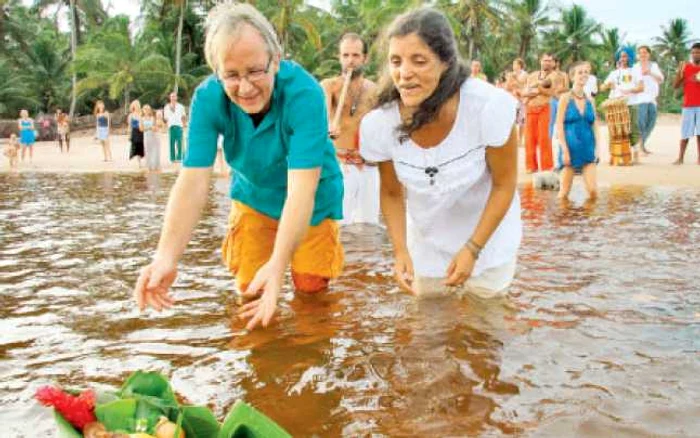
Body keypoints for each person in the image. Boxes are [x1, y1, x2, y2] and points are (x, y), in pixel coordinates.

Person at [133, 3, 344, 330]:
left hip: (313, 201)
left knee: (310, 293)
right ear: (217, 72)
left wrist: (278, 264)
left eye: (256, 71)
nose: (245, 88)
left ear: (275, 60)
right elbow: (192, 181)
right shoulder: (208, 99)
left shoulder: (305, 94)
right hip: (253, 197)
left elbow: (302, 190)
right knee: (252, 290)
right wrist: (166, 258)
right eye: (231, 75)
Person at [359, 8, 521, 298]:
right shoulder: (380, 123)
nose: (404, 73)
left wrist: (473, 249)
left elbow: (504, 184)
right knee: (427, 331)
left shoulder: (489, 108)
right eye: (395, 61)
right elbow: (393, 194)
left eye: (418, 61)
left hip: (489, 238)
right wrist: (400, 251)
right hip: (427, 243)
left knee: (482, 330)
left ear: (446, 62)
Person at [320, 33, 379, 225]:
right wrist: (329, 125)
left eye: (355, 55)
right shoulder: (329, 86)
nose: (350, 61)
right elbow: (323, 117)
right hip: (341, 166)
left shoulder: (375, 90)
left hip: (369, 167)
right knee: (338, 226)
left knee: (369, 227)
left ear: (364, 58)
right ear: (339, 57)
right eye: (345, 55)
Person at [555, 62, 601, 201]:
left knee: (593, 192)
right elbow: (559, 126)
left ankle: (588, 222)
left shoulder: (590, 100)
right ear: (572, 77)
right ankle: (563, 221)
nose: (584, 75)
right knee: (563, 194)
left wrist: (598, 149)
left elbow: (595, 126)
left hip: (588, 148)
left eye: (586, 72)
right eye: (580, 72)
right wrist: (565, 150)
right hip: (570, 149)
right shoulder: (565, 99)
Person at [601, 47, 644, 163]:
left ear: (630, 57)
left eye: (625, 56)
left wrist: (629, 90)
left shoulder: (635, 71)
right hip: (615, 105)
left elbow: (641, 87)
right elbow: (602, 87)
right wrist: (608, 85)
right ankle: (613, 155)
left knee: (632, 129)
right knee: (614, 130)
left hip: (631, 103)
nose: (622, 58)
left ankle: (635, 154)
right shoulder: (614, 73)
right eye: (620, 56)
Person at [523, 53, 560, 173]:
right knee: (529, 138)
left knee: (544, 138)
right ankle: (531, 166)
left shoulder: (554, 75)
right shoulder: (532, 75)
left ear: (552, 63)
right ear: (540, 61)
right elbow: (525, 92)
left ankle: (547, 166)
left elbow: (550, 93)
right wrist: (538, 89)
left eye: (549, 61)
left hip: (544, 107)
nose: (547, 63)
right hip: (530, 108)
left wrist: (536, 89)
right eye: (545, 60)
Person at [673, 42, 700, 165]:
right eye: (693, 52)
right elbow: (675, 86)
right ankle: (680, 158)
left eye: (698, 52)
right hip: (688, 105)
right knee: (685, 133)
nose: (695, 55)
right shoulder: (686, 67)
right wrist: (680, 72)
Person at [634, 45, 664, 155]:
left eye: (645, 52)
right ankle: (640, 146)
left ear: (648, 54)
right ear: (638, 55)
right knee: (641, 123)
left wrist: (650, 72)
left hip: (652, 99)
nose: (643, 54)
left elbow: (661, 79)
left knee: (651, 122)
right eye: (640, 52)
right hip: (640, 98)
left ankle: (642, 144)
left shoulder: (654, 66)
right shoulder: (635, 67)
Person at [163, 92, 187, 163]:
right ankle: (172, 158)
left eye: (174, 96)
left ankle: (179, 157)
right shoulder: (166, 107)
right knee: (171, 143)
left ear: (176, 98)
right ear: (170, 98)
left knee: (179, 142)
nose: (173, 98)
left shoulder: (181, 106)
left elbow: (183, 117)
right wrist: (166, 126)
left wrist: (184, 126)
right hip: (171, 126)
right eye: (171, 96)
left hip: (179, 126)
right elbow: (165, 118)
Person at [141, 104, 161, 172]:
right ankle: (149, 167)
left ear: (150, 110)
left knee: (155, 151)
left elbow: (156, 127)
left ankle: (156, 166)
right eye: (145, 109)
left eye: (148, 109)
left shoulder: (153, 118)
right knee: (147, 151)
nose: (146, 111)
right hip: (146, 136)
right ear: (143, 110)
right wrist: (149, 127)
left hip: (154, 136)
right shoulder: (142, 119)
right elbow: (141, 129)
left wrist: (155, 128)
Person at [128, 100, 145, 168]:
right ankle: (139, 162)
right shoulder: (131, 115)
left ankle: (141, 159)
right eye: (135, 105)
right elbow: (129, 126)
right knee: (135, 146)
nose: (137, 106)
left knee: (141, 145)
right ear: (133, 106)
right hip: (134, 132)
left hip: (141, 131)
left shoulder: (141, 113)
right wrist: (129, 134)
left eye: (138, 105)